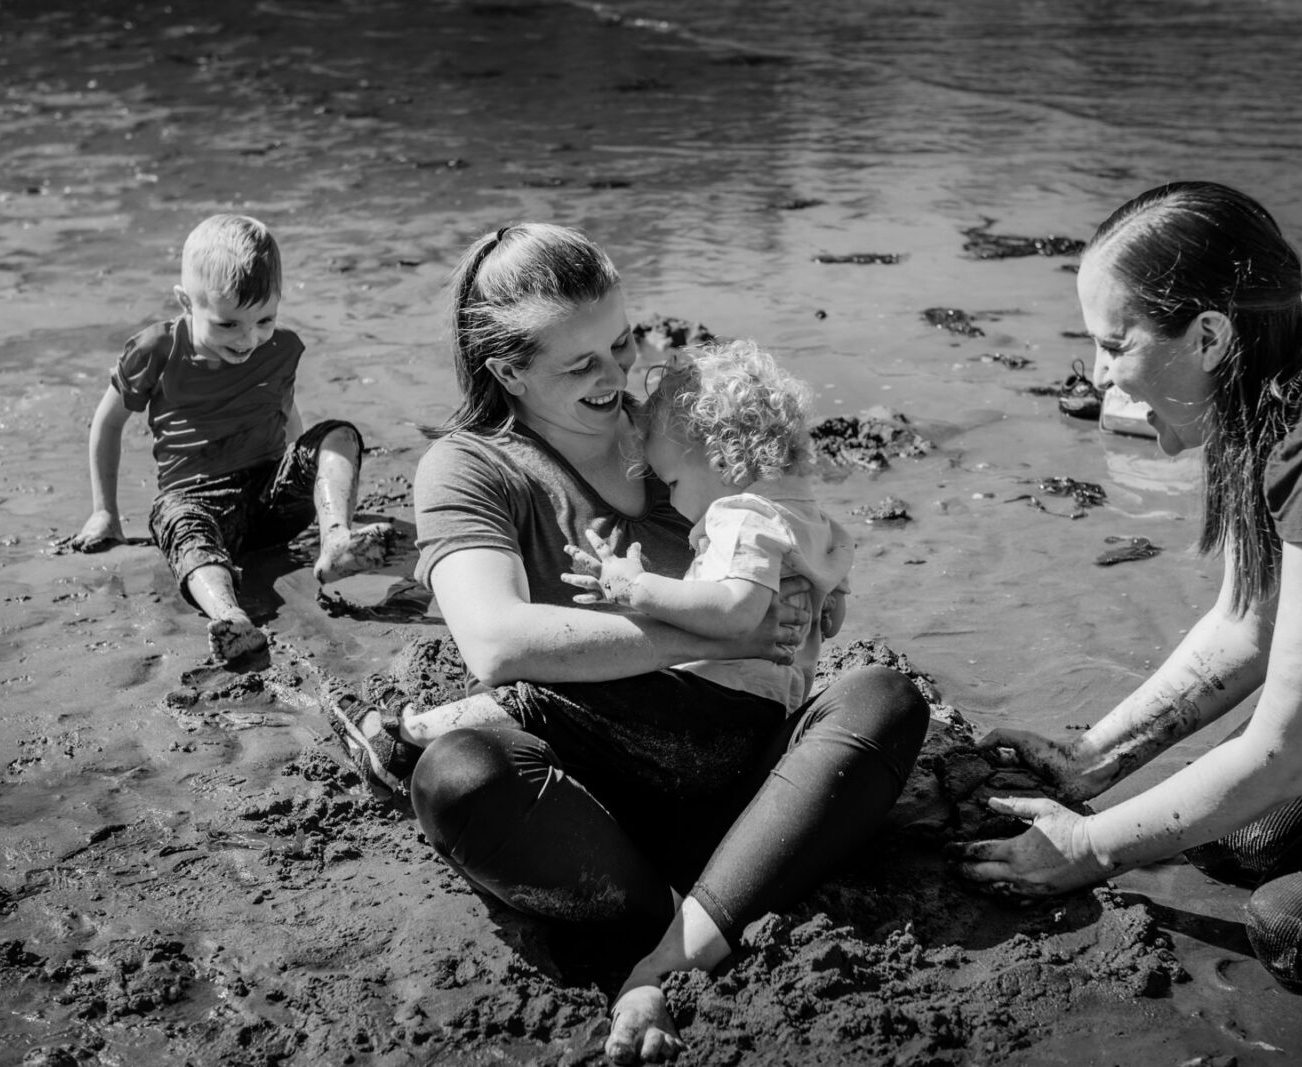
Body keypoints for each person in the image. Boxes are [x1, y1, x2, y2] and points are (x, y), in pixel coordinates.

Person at [320, 222, 929, 1064]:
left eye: (623, 341)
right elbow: (496, 641)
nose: (620, 377)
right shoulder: (470, 468)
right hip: (589, 788)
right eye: (582, 365)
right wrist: (715, 626)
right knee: (460, 776)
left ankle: (664, 955)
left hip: (751, 763)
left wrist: (811, 592)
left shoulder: (688, 429)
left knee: (884, 699)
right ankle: (686, 912)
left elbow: (786, 523)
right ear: (508, 371)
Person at [955, 181, 1302, 1000]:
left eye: (1113, 342)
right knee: (1233, 842)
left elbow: (1291, 751)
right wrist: (1087, 762)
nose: (1098, 373)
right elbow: (1247, 624)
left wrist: (1091, 848)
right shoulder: (1270, 378)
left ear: (1208, 334)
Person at [69, 214, 392, 663]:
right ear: (186, 302)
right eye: (228, 325)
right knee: (181, 526)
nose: (249, 339)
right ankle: (229, 616)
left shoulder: (279, 347)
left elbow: (285, 411)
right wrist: (104, 512)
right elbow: (107, 423)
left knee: (338, 434)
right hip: (197, 499)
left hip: (269, 500)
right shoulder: (156, 350)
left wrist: (307, 485)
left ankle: (336, 537)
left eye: (265, 319)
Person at [560, 338, 853, 716]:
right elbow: (832, 622)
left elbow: (734, 612)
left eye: (673, 484)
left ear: (719, 459)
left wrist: (636, 587)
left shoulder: (744, 518)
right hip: (776, 701)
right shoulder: (819, 524)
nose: (673, 501)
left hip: (719, 698)